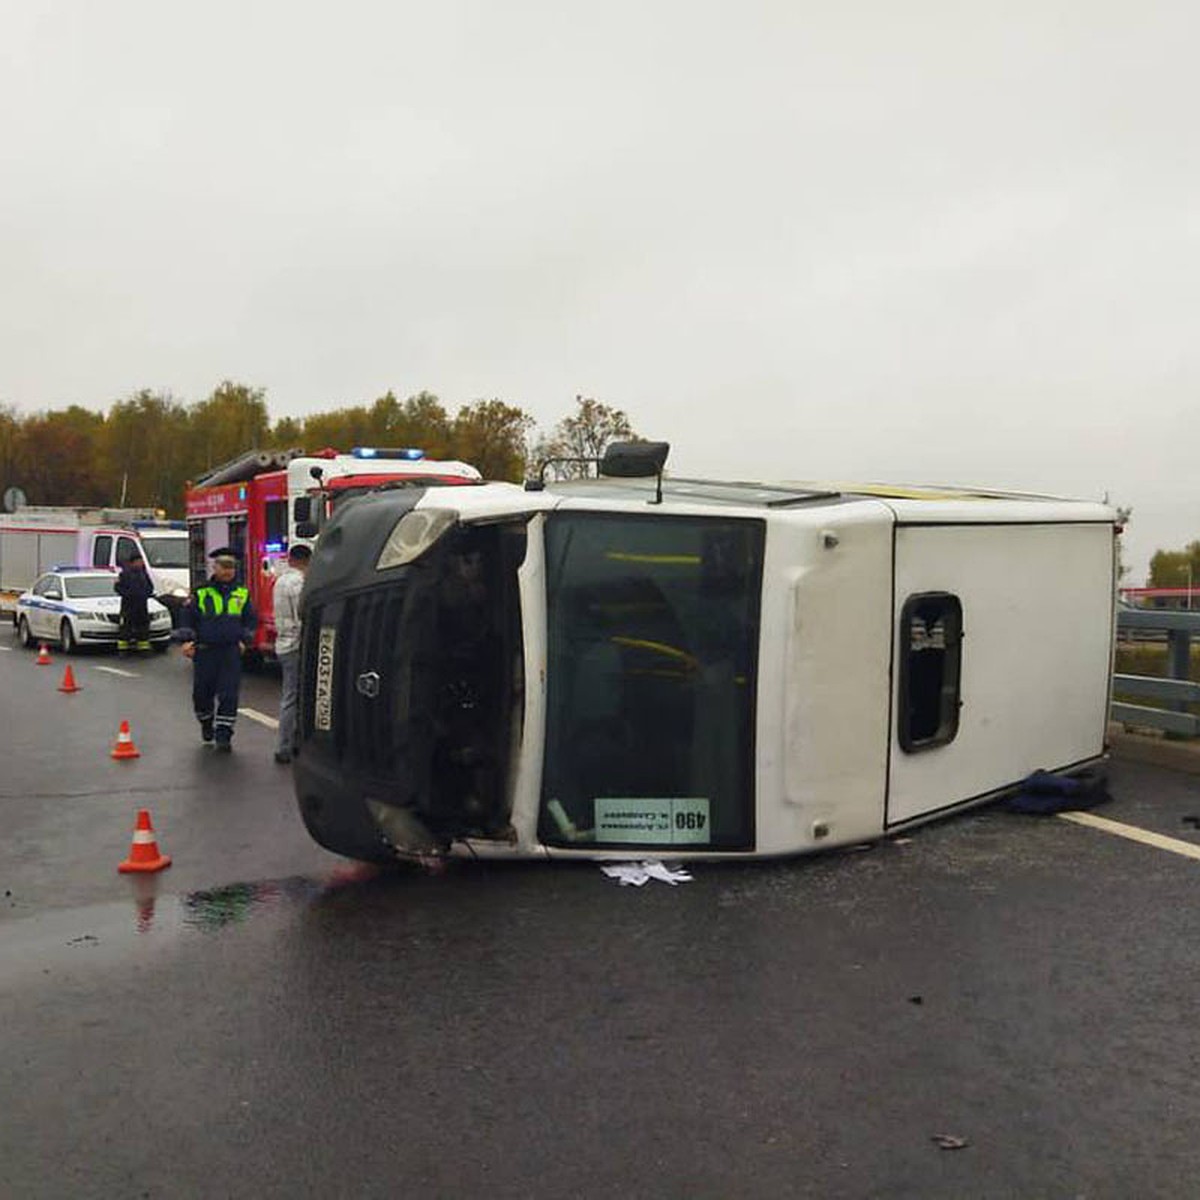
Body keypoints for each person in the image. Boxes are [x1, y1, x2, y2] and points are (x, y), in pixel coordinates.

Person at [179, 548, 257, 752]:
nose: (228, 571)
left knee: (229, 694)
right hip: (205, 651)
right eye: (224, 567)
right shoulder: (201, 592)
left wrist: (245, 640)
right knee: (202, 694)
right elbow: (187, 618)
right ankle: (206, 722)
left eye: (231, 568)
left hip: (230, 652)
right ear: (215, 568)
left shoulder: (242, 593)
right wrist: (187, 641)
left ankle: (224, 735)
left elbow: (250, 620)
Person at [272, 543, 311, 764]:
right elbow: (302, 613)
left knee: (291, 695)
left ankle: (289, 743)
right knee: (293, 697)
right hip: (296, 645)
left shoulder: (280, 580)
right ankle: (285, 746)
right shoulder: (298, 582)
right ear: (306, 561)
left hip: (283, 643)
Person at [114, 549, 156, 653]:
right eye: (139, 561)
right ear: (133, 562)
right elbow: (118, 588)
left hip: (142, 606)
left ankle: (143, 648)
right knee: (125, 628)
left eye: (141, 561)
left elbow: (150, 586)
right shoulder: (124, 574)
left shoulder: (143, 574)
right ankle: (123, 649)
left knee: (143, 627)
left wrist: (146, 594)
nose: (141, 563)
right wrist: (129, 595)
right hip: (129, 606)